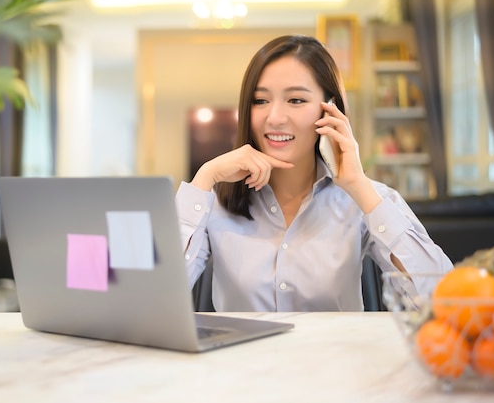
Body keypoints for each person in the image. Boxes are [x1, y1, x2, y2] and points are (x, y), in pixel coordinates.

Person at [176, 35, 453, 312]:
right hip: (242, 356)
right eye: (260, 100)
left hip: (336, 356)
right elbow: (153, 302)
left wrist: (360, 187)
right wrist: (204, 177)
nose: (274, 117)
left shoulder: (364, 200)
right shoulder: (212, 202)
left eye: (295, 100)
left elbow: (443, 301)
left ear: (330, 110)